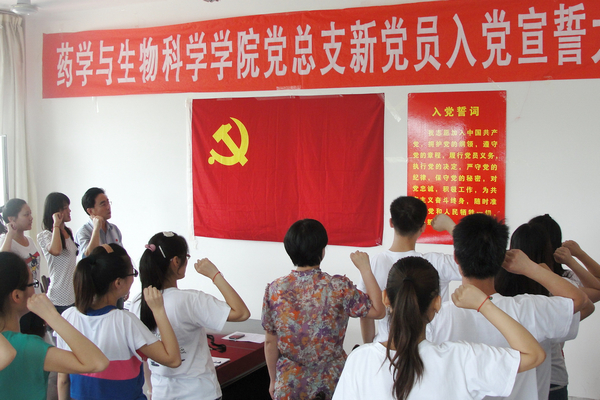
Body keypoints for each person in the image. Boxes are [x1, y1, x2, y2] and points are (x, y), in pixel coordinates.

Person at [333, 256, 546, 400]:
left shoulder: (359, 360)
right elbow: (533, 355)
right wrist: (484, 304)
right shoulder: (461, 359)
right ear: (437, 303)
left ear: (386, 298)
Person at [426, 213, 588, 400]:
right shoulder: (528, 309)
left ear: (456, 258)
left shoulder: (435, 318)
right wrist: (530, 267)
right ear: (502, 258)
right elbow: (579, 300)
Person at [262, 219, 385, 400]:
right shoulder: (338, 287)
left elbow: (270, 342)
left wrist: (274, 380)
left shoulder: (275, 290)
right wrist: (365, 269)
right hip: (332, 382)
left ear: (289, 250)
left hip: (290, 382)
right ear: (322, 250)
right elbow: (378, 311)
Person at [131, 231, 250, 400]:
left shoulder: (137, 303)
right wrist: (215, 275)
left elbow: (144, 356)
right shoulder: (190, 300)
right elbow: (241, 313)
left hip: (161, 392)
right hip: (199, 392)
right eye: (186, 257)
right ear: (176, 261)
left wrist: (151, 390)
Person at [56, 244, 181, 400]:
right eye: (132, 273)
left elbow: (63, 379)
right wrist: (158, 310)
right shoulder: (124, 321)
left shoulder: (67, 317)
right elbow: (173, 359)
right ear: (118, 283)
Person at [495, 222, 595, 400]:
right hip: (549, 380)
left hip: (509, 378)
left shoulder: (498, 288)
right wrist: (545, 272)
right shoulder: (559, 291)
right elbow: (587, 305)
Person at [0, 251, 109, 400]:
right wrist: (52, 315)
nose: (36, 290)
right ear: (17, 296)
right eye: (33, 284)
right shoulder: (27, 346)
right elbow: (98, 363)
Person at [358, 196, 461, 344]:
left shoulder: (373, 263)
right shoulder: (438, 262)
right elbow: (475, 261)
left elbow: (365, 312)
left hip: (387, 348)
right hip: (430, 348)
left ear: (391, 223)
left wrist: (371, 347)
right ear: (423, 228)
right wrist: (449, 225)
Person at [529, 214, 600, 399]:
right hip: (551, 374)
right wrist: (575, 258)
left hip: (528, 371)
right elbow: (596, 291)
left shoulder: (562, 280)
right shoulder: (564, 284)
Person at [0, 198, 45, 337]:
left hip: (35, 299)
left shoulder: (29, 240)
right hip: (20, 303)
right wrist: (10, 234)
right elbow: (2, 262)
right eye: (26, 215)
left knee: (38, 339)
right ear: (11, 219)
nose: (31, 218)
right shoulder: (5, 241)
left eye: (30, 214)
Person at [37, 192, 78, 314]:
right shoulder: (45, 235)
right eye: (65, 208)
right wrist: (56, 225)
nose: (69, 211)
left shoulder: (68, 232)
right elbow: (56, 250)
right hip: (58, 298)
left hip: (74, 295)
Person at [75, 187, 122, 257]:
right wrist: (96, 229)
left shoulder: (114, 229)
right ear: (90, 211)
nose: (108, 207)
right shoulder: (83, 232)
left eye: (108, 202)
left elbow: (122, 255)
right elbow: (87, 257)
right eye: (103, 204)